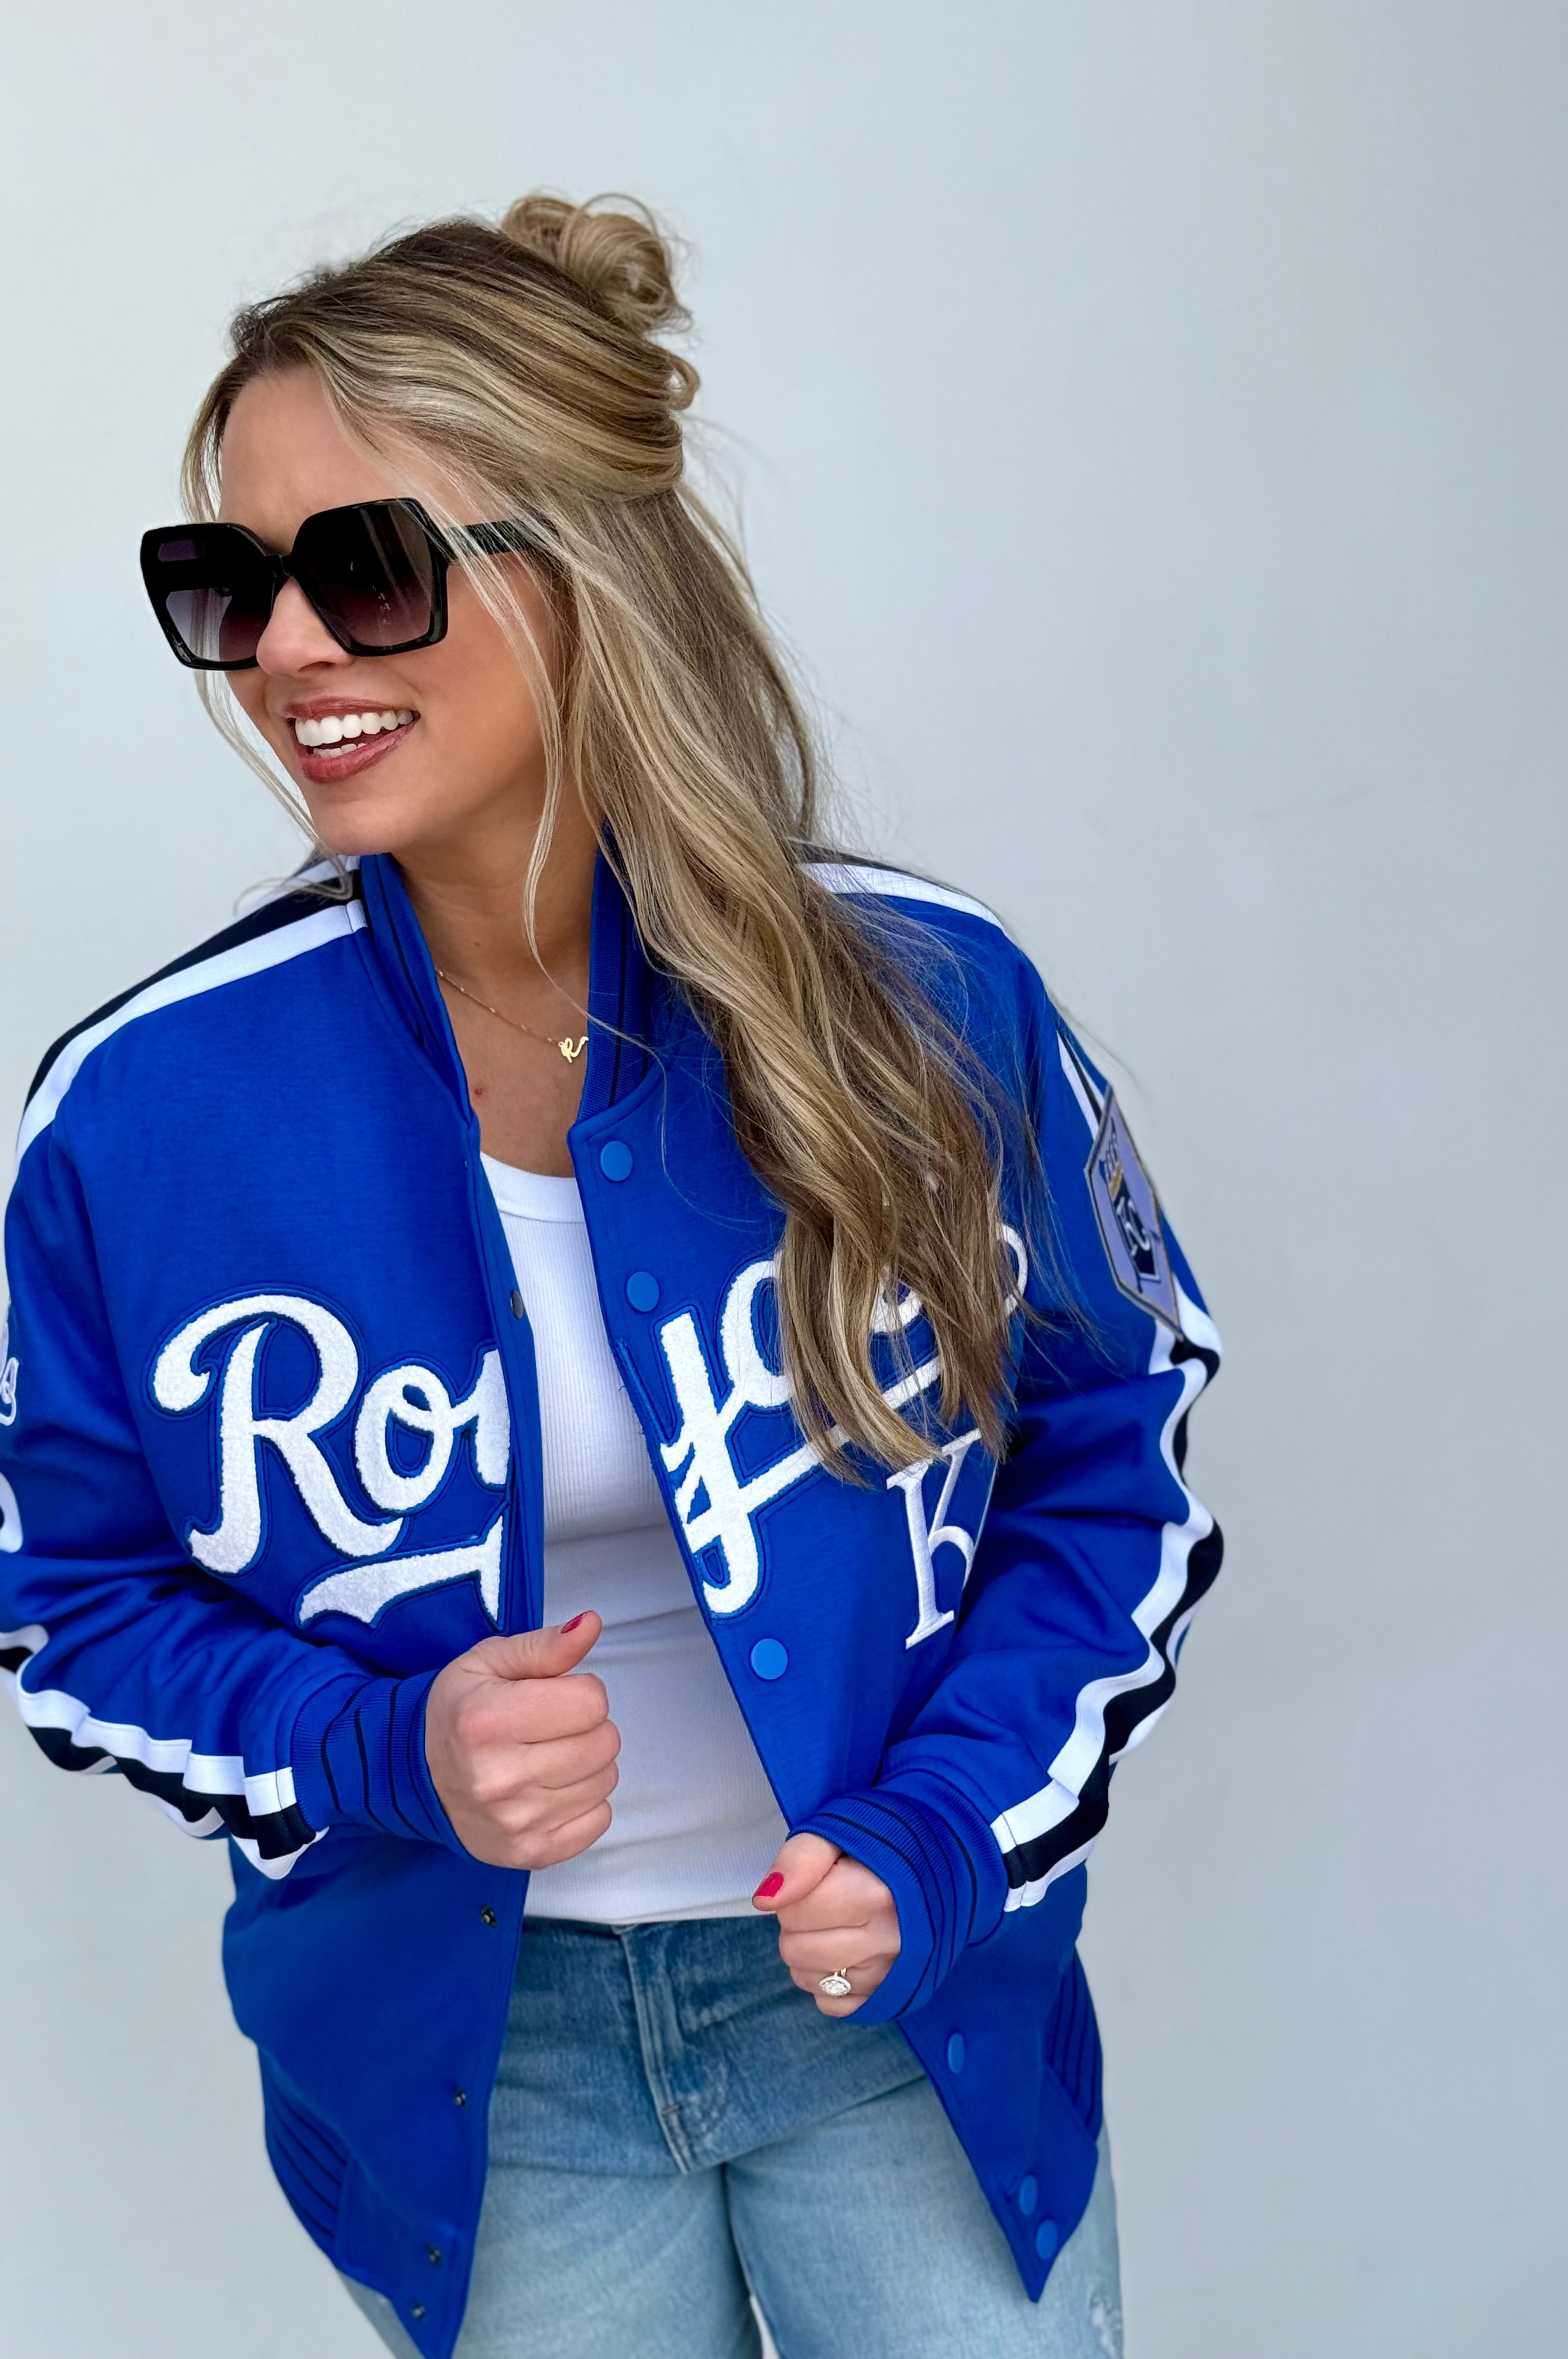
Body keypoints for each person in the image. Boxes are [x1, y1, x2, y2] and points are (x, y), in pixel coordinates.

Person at [0, 194, 1222, 2359]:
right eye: (232, 583)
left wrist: (946, 1829)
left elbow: (1112, 1464)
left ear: (586, 570)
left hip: (899, 1998)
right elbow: (66, 1597)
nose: (289, 649)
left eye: (365, 566)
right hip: (487, 2081)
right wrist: (385, 1744)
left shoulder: (926, 1005)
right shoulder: (143, 1118)